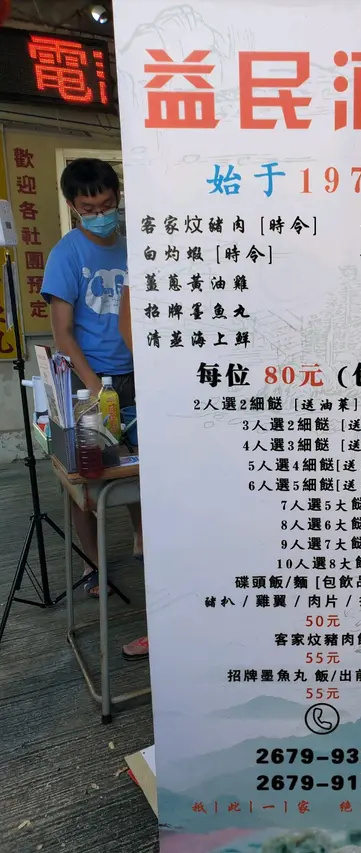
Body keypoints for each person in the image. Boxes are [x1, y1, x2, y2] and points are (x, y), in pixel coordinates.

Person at [42, 158, 143, 598]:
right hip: (86, 382)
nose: (100, 215)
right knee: (84, 478)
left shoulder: (136, 247)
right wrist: (96, 387)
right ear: (72, 206)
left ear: (118, 198)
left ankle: (142, 540)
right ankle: (94, 565)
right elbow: (62, 333)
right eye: (89, 209)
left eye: (106, 205)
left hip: (135, 375)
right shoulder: (66, 254)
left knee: (140, 468)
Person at [117, 281, 149, 661]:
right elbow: (128, 324)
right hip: (173, 399)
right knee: (170, 522)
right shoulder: (143, 260)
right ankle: (163, 625)